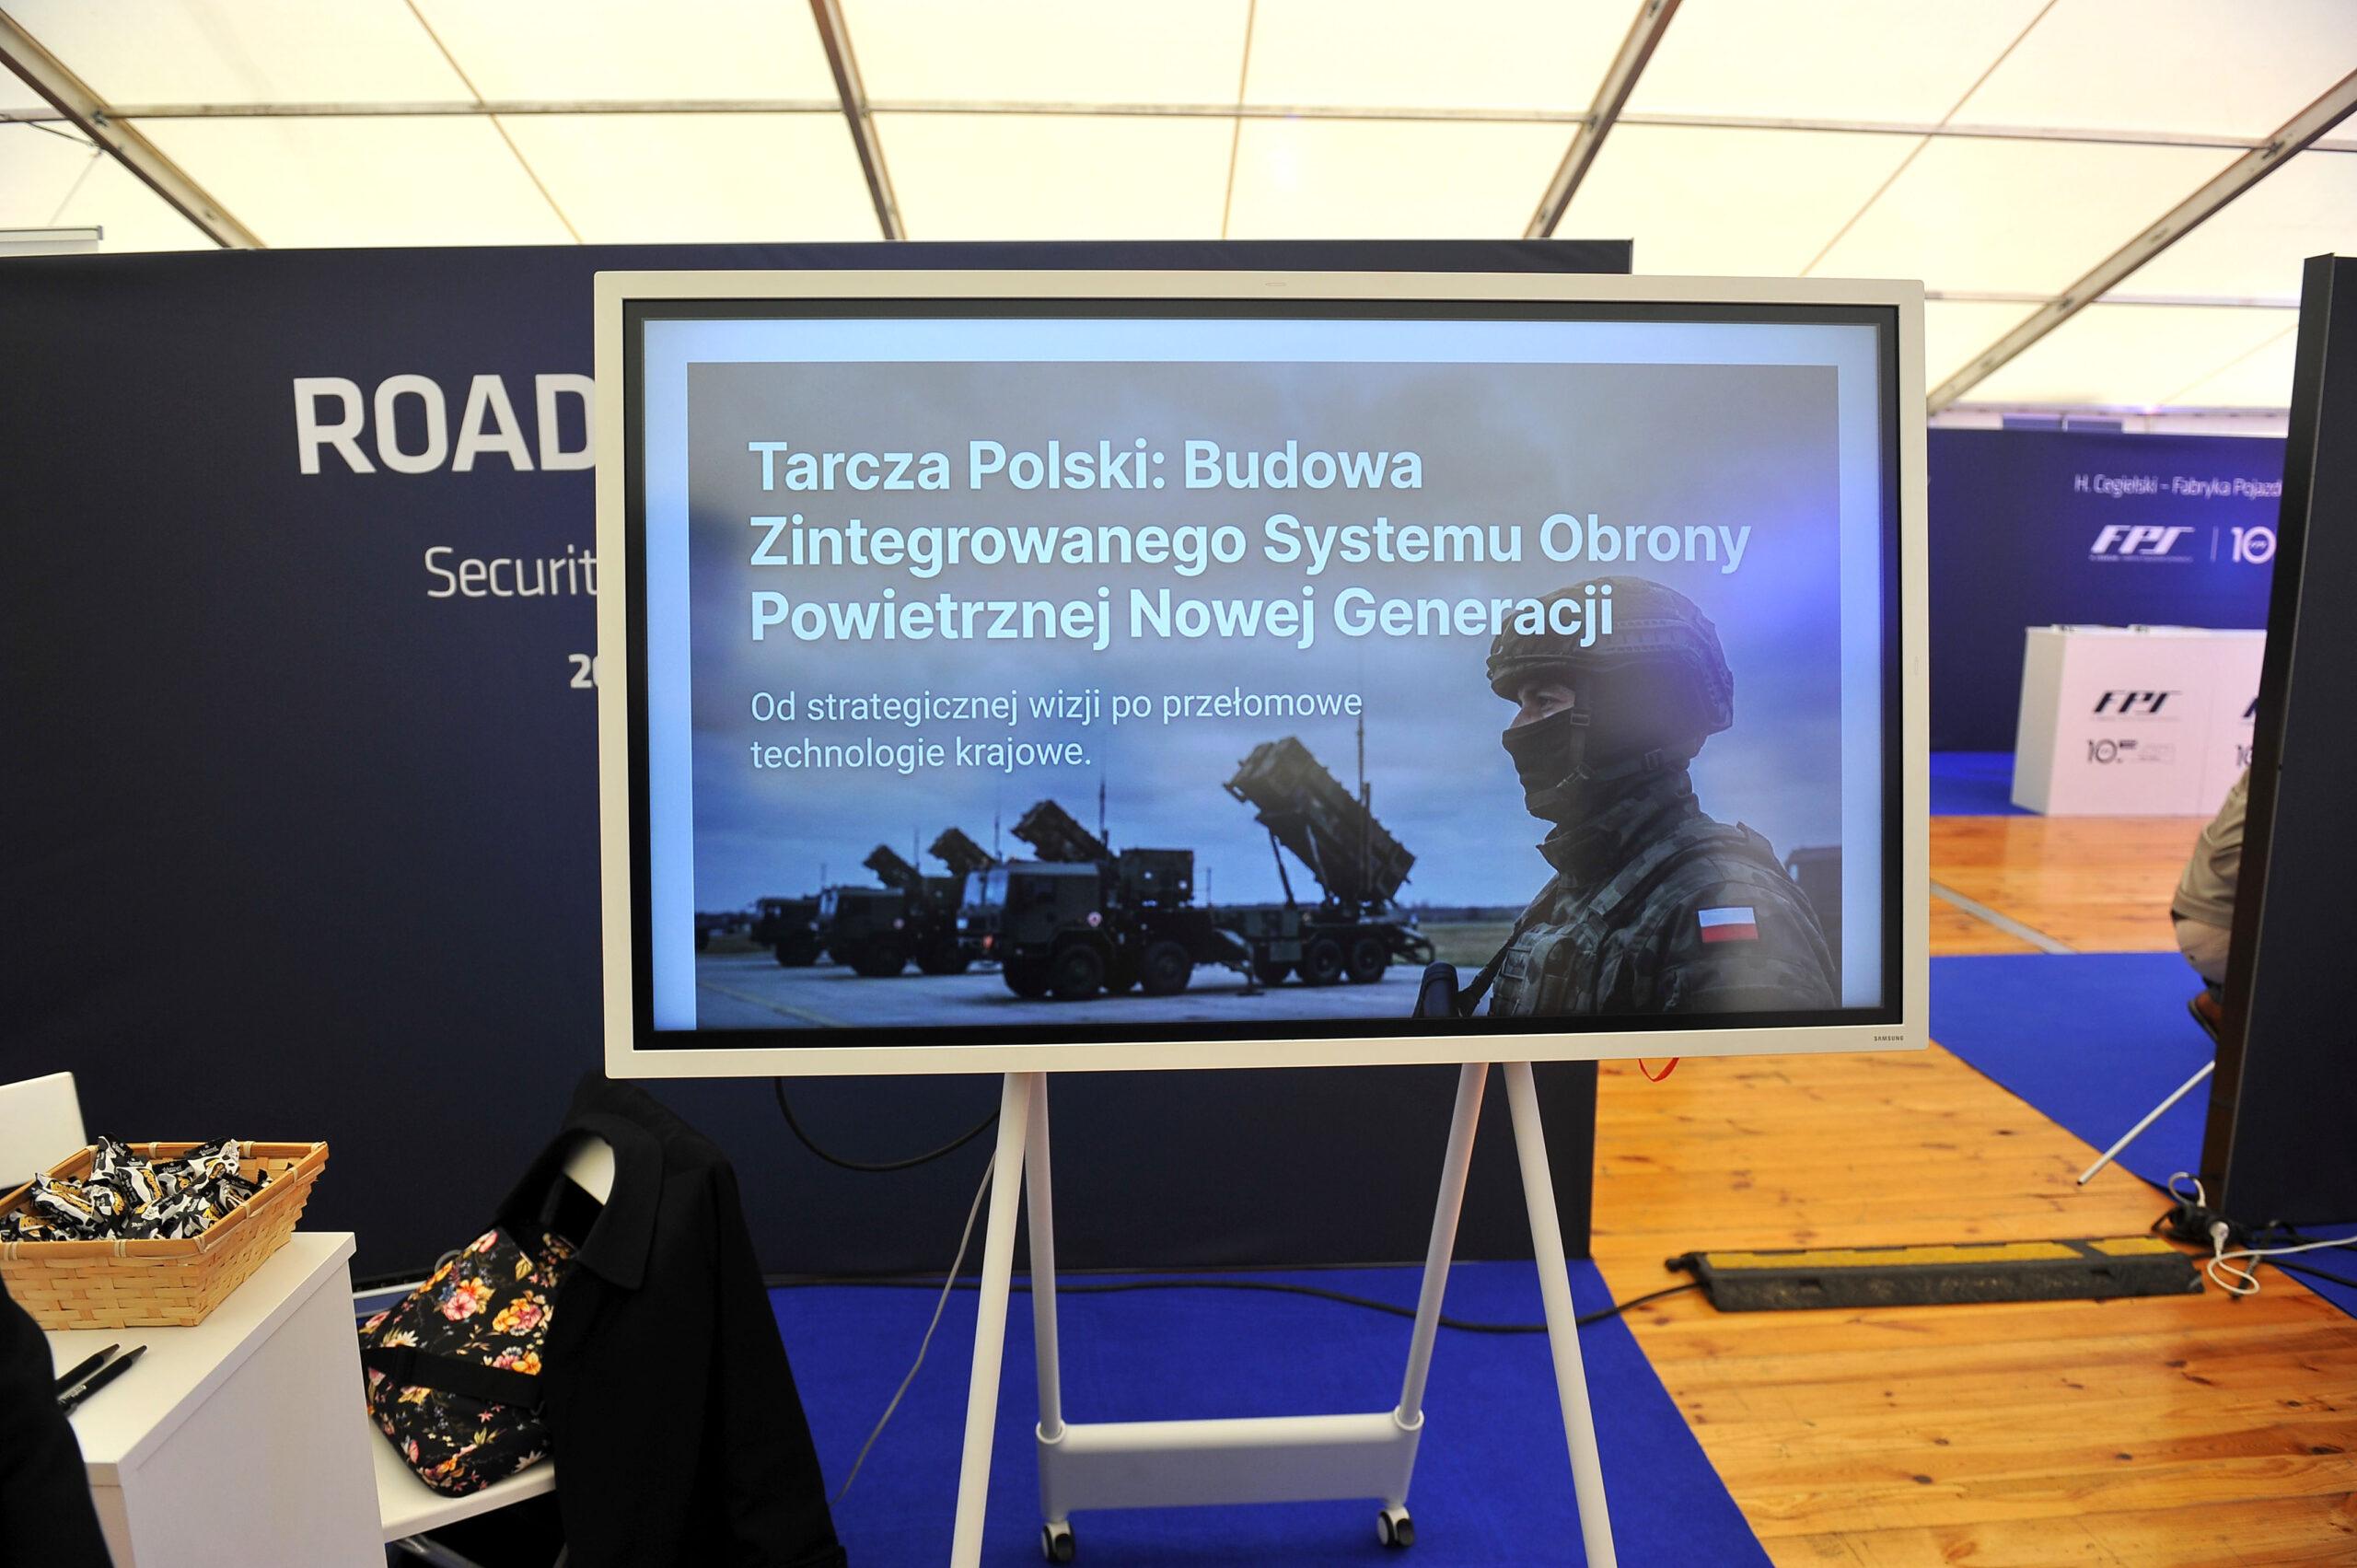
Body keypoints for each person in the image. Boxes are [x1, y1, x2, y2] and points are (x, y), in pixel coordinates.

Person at [1461, 575, 1838, 1018]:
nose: (1516, 729)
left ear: (1627, 718)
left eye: (1544, 702)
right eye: (1520, 706)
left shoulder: (1718, 899)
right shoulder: (1581, 891)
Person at [2172, 766, 2247, 1021]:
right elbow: (2229, 856)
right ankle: (2229, 1004)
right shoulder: (2294, 761)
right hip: (2216, 921)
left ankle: (2227, 1002)